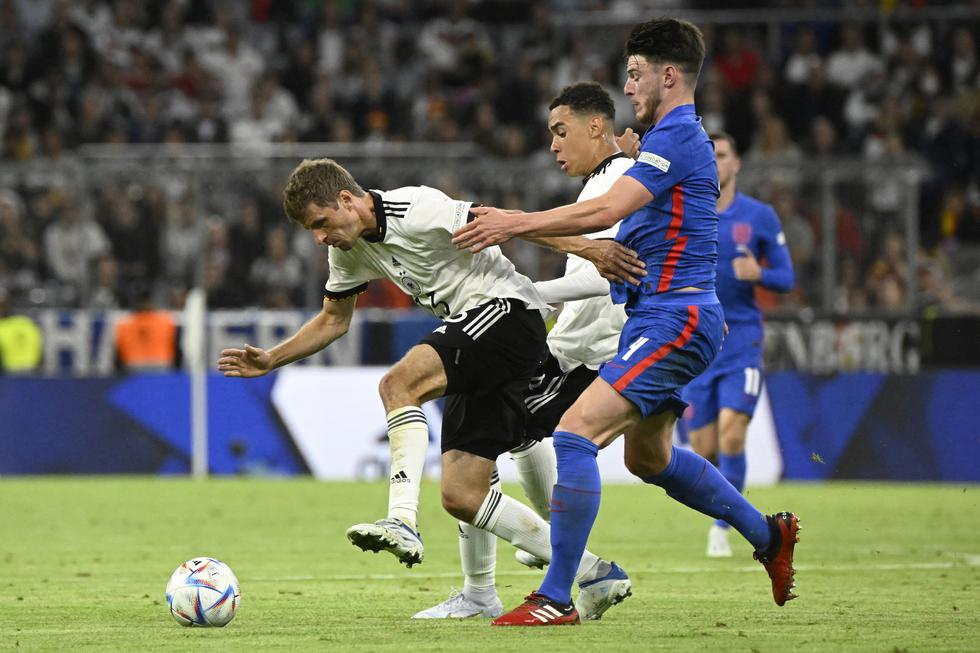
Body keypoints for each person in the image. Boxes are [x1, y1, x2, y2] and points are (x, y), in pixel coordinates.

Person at [453, 18, 800, 626]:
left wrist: (513, 221)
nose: (628, 86)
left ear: (669, 75)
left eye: (636, 73)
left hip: (676, 316)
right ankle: (768, 535)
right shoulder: (668, 139)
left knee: (574, 433)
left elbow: (608, 209)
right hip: (669, 315)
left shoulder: (682, 137)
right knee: (651, 460)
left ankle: (555, 597)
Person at [217, 159, 643, 616]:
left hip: (507, 313)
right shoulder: (347, 251)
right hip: (473, 334)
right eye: (311, 231)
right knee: (463, 494)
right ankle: (588, 575)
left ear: (345, 199)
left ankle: (401, 519)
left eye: (320, 223)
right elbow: (333, 320)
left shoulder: (416, 207)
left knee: (397, 384)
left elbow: (504, 224)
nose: (319, 237)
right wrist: (272, 358)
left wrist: (592, 251)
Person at [413, 82, 636, 621]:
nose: (554, 145)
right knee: (490, 437)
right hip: (567, 350)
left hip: (588, 359)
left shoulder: (614, 186)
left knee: (472, 448)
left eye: (562, 133)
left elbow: (604, 277)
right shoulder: (608, 181)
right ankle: (551, 558)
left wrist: (520, 297)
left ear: (596, 128)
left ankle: (561, 568)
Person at [683, 132, 795, 558]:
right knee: (704, 448)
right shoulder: (689, 213)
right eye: (709, 155)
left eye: (723, 154)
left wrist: (759, 274)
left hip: (742, 341)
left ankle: (722, 528)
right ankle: (722, 512)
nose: (715, 161)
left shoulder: (759, 217)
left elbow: (787, 278)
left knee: (733, 437)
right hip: (698, 342)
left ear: (736, 164)